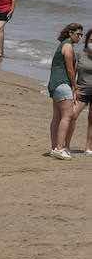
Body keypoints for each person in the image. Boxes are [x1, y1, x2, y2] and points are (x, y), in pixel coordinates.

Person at [48, 23, 83, 160]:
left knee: (57, 116)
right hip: (62, 83)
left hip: (55, 83)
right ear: (70, 33)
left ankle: (54, 147)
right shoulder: (67, 46)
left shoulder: (64, 45)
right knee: (67, 116)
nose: (80, 37)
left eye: (81, 35)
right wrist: (76, 87)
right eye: (78, 34)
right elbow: (70, 70)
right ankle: (60, 147)